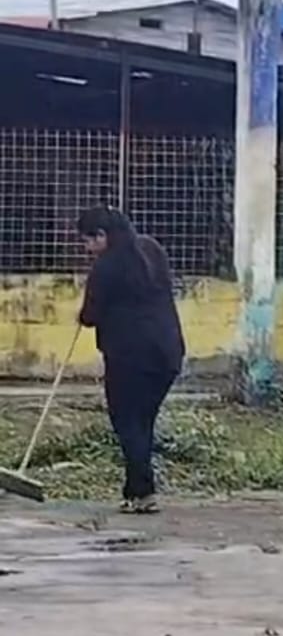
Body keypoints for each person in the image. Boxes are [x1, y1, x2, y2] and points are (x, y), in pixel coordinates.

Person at [77, 207, 185, 512]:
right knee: (143, 421)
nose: (87, 248)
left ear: (102, 236)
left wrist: (82, 315)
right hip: (168, 353)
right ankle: (137, 491)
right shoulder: (152, 250)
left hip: (129, 357)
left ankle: (142, 492)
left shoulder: (106, 266)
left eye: (87, 241)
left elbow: (90, 315)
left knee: (127, 422)